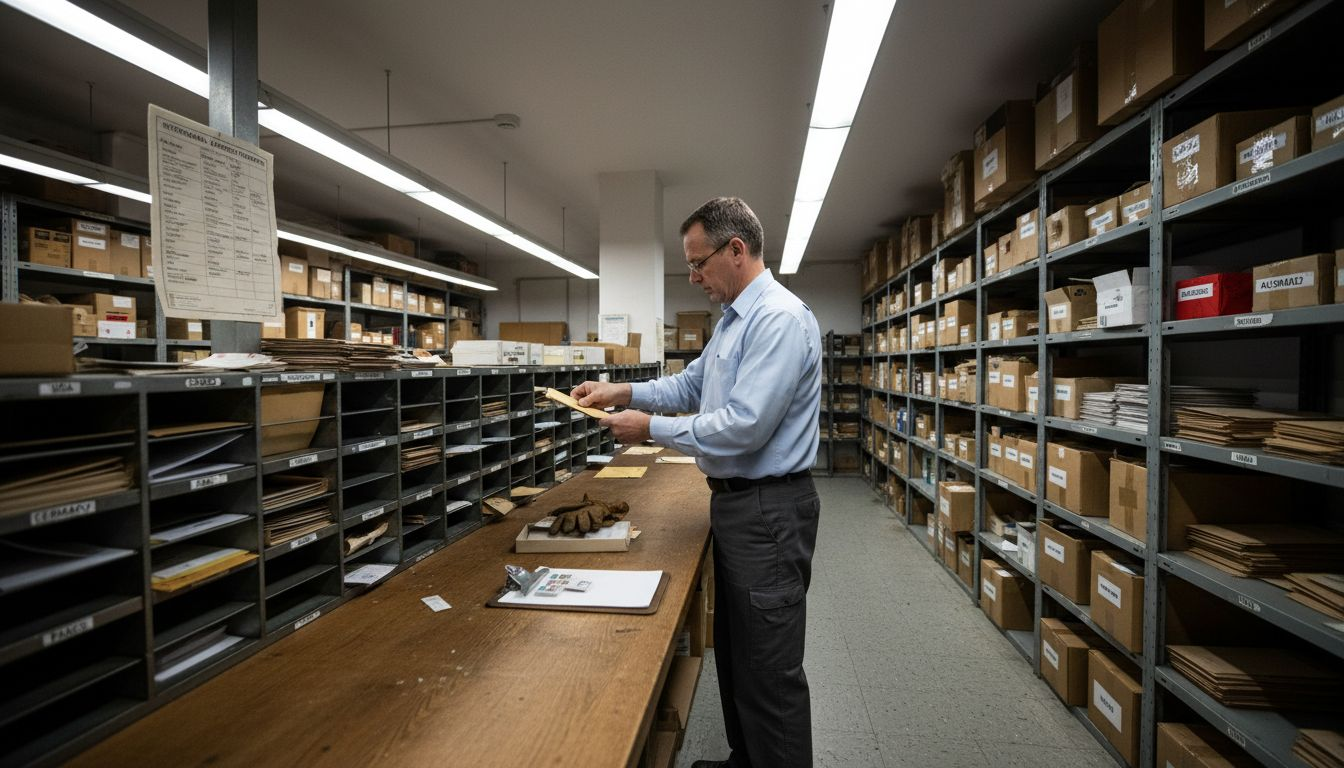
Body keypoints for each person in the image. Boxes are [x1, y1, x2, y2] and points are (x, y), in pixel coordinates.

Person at [570, 197, 821, 768]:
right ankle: (746, 760)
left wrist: (648, 429)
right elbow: (691, 386)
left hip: (769, 510)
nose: (693, 277)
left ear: (736, 250)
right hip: (739, 507)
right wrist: (625, 392)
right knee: (738, 656)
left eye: (698, 263)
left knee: (770, 670)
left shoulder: (777, 319)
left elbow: (744, 428)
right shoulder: (734, 321)